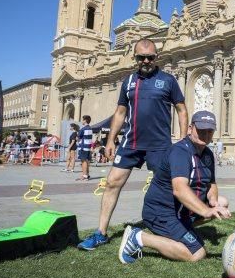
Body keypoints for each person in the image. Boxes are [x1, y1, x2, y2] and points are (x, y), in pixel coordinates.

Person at [78, 38, 188, 250]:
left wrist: (182, 141)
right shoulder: (128, 82)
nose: (146, 60)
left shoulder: (168, 80)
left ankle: (175, 227)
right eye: (141, 57)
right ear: (134, 58)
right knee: (112, 182)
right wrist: (110, 140)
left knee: (171, 187)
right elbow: (120, 113)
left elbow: (181, 109)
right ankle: (101, 233)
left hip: (160, 145)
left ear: (157, 57)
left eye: (150, 57)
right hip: (131, 142)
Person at [117, 111, 231, 264]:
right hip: (161, 212)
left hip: (181, 211)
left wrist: (214, 202)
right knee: (197, 253)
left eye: (209, 130)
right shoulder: (180, 151)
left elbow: (211, 183)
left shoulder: (207, 154)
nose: (205, 134)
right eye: (201, 130)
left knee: (222, 202)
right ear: (190, 128)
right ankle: (138, 237)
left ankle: (183, 228)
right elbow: (179, 189)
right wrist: (206, 210)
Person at [76, 116, 93, 180]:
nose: (82, 121)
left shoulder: (83, 129)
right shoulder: (90, 128)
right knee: (87, 161)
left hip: (83, 147)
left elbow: (77, 138)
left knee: (83, 161)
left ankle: (84, 175)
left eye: (82, 120)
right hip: (88, 147)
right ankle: (87, 174)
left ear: (85, 120)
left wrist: (78, 140)